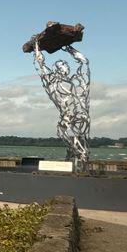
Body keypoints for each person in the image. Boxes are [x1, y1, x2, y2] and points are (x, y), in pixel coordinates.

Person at [33, 41, 90, 171]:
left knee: (79, 144)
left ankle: (78, 164)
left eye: (65, 64)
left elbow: (84, 63)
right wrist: (36, 47)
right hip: (67, 120)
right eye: (62, 65)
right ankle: (77, 164)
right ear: (57, 69)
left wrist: (69, 48)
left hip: (80, 117)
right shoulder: (51, 82)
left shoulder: (74, 80)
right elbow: (40, 64)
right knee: (74, 144)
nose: (66, 67)